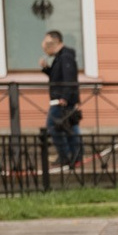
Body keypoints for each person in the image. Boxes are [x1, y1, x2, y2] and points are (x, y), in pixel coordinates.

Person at [38, 30, 82, 167]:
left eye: (47, 42)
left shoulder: (65, 56)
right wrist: (47, 69)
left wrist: (65, 97)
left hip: (62, 101)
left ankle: (66, 156)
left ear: (55, 42)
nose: (45, 46)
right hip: (65, 100)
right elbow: (59, 77)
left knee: (53, 127)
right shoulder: (60, 57)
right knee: (70, 127)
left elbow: (69, 79)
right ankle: (75, 156)